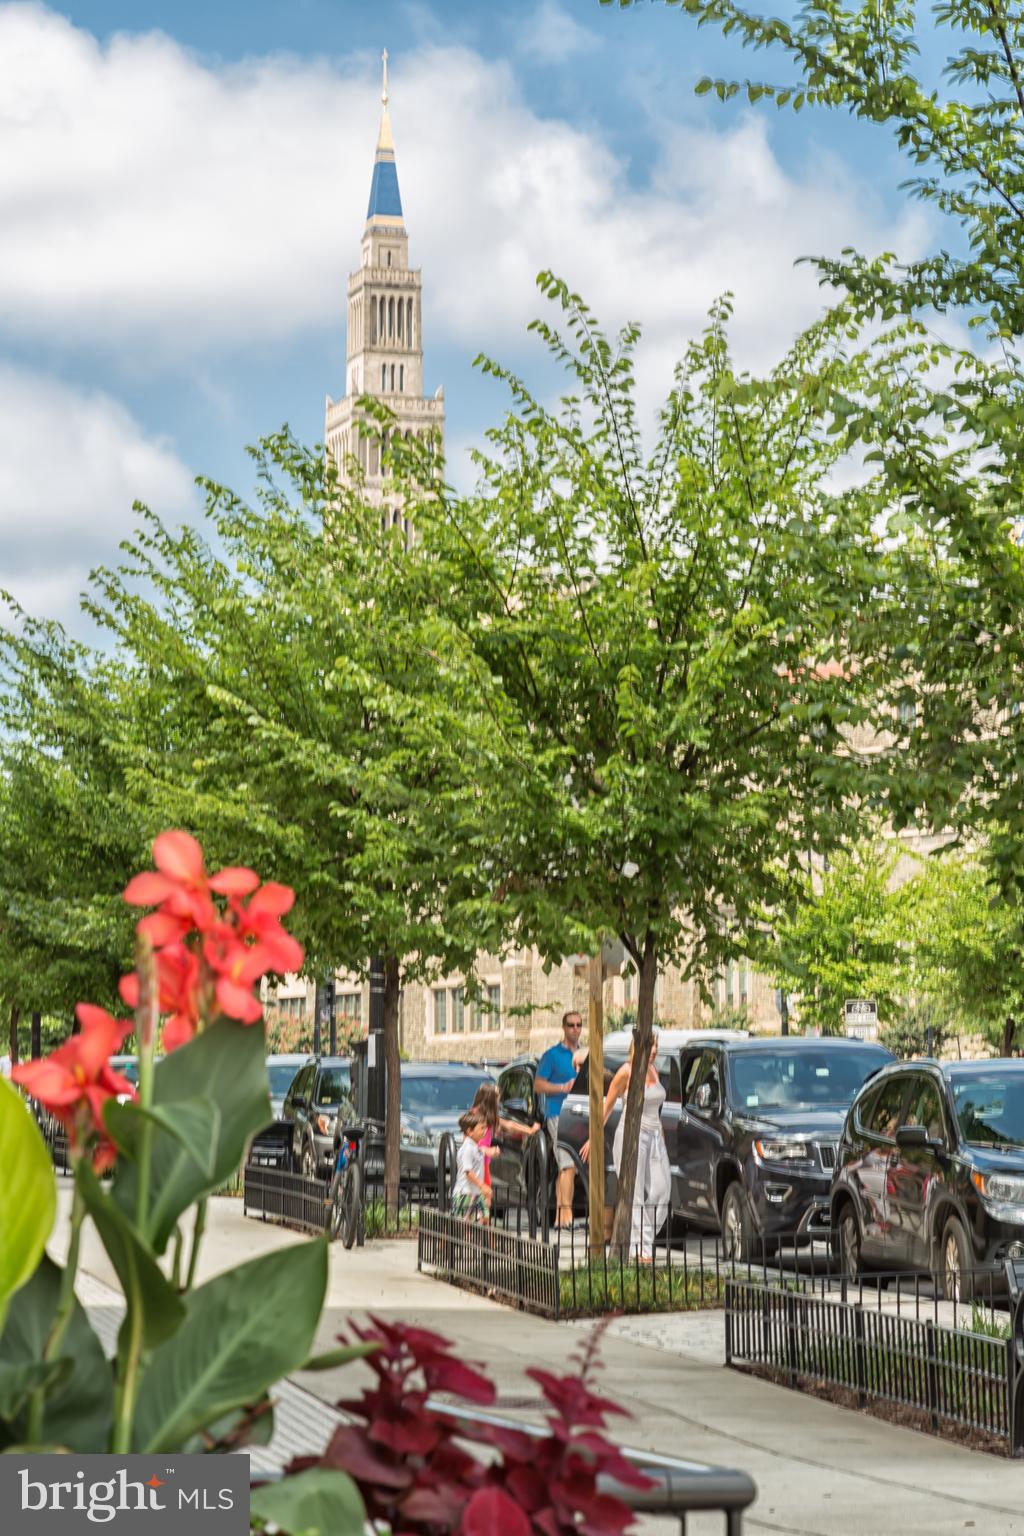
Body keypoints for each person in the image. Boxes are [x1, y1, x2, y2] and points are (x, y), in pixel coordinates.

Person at [582, 1033, 670, 1263]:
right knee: (635, 1193)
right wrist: (593, 1138)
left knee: (662, 1191)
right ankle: (642, 1250)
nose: (654, 1050)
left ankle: (640, 1242)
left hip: (655, 1137)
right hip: (632, 1135)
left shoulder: (653, 1071)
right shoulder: (626, 1071)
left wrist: (660, 1134)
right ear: (638, 1046)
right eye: (651, 1045)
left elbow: (655, 1108)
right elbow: (608, 1106)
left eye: (656, 1046)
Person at [535, 1011, 585, 1229]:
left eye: (579, 1025)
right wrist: (562, 1087)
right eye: (571, 1025)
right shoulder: (552, 1055)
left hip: (579, 1116)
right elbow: (538, 1085)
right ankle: (568, 1216)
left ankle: (559, 1218)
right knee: (568, 1165)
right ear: (563, 1028)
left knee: (567, 1168)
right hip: (557, 1113)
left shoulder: (584, 1054)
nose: (575, 1029)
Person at [451, 1108, 491, 1222]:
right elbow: (468, 1171)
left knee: (485, 1220)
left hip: (476, 1193)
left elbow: (481, 1152)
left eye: (485, 1127)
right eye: (481, 1128)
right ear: (470, 1131)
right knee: (463, 1225)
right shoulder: (467, 1148)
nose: (485, 1131)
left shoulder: (475, 1146)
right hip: (464, 1193)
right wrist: (482, 1186)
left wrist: (491, 1151)